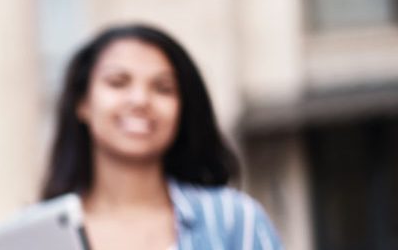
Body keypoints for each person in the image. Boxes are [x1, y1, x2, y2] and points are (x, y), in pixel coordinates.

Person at [39, 24, 282, 250]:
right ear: (82, 102)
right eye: (118, 83)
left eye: (163, 88)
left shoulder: (233, 220)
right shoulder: (36, 237)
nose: (140, 100)